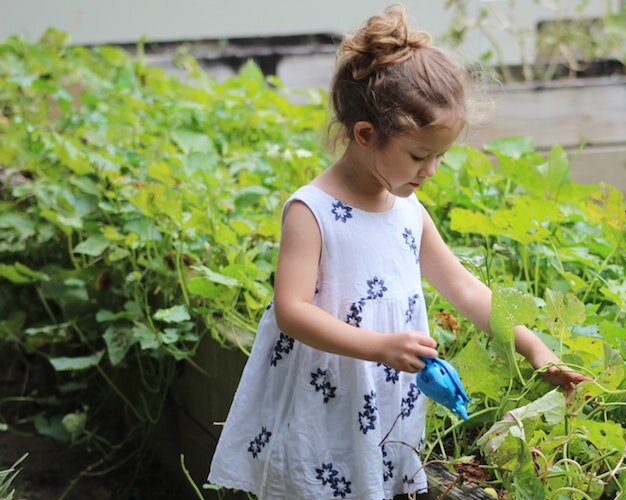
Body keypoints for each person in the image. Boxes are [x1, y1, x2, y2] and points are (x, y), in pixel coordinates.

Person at [207, 5, 589, 499]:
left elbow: (467, 291)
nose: (430, 171)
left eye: (440, 157)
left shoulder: (409, 213)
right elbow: (291, 311)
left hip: (384, 397)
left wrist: (535, 348)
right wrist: (380, 348)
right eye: (418, 156)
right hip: (326, 393)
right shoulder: (312, 211)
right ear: (365, 135)